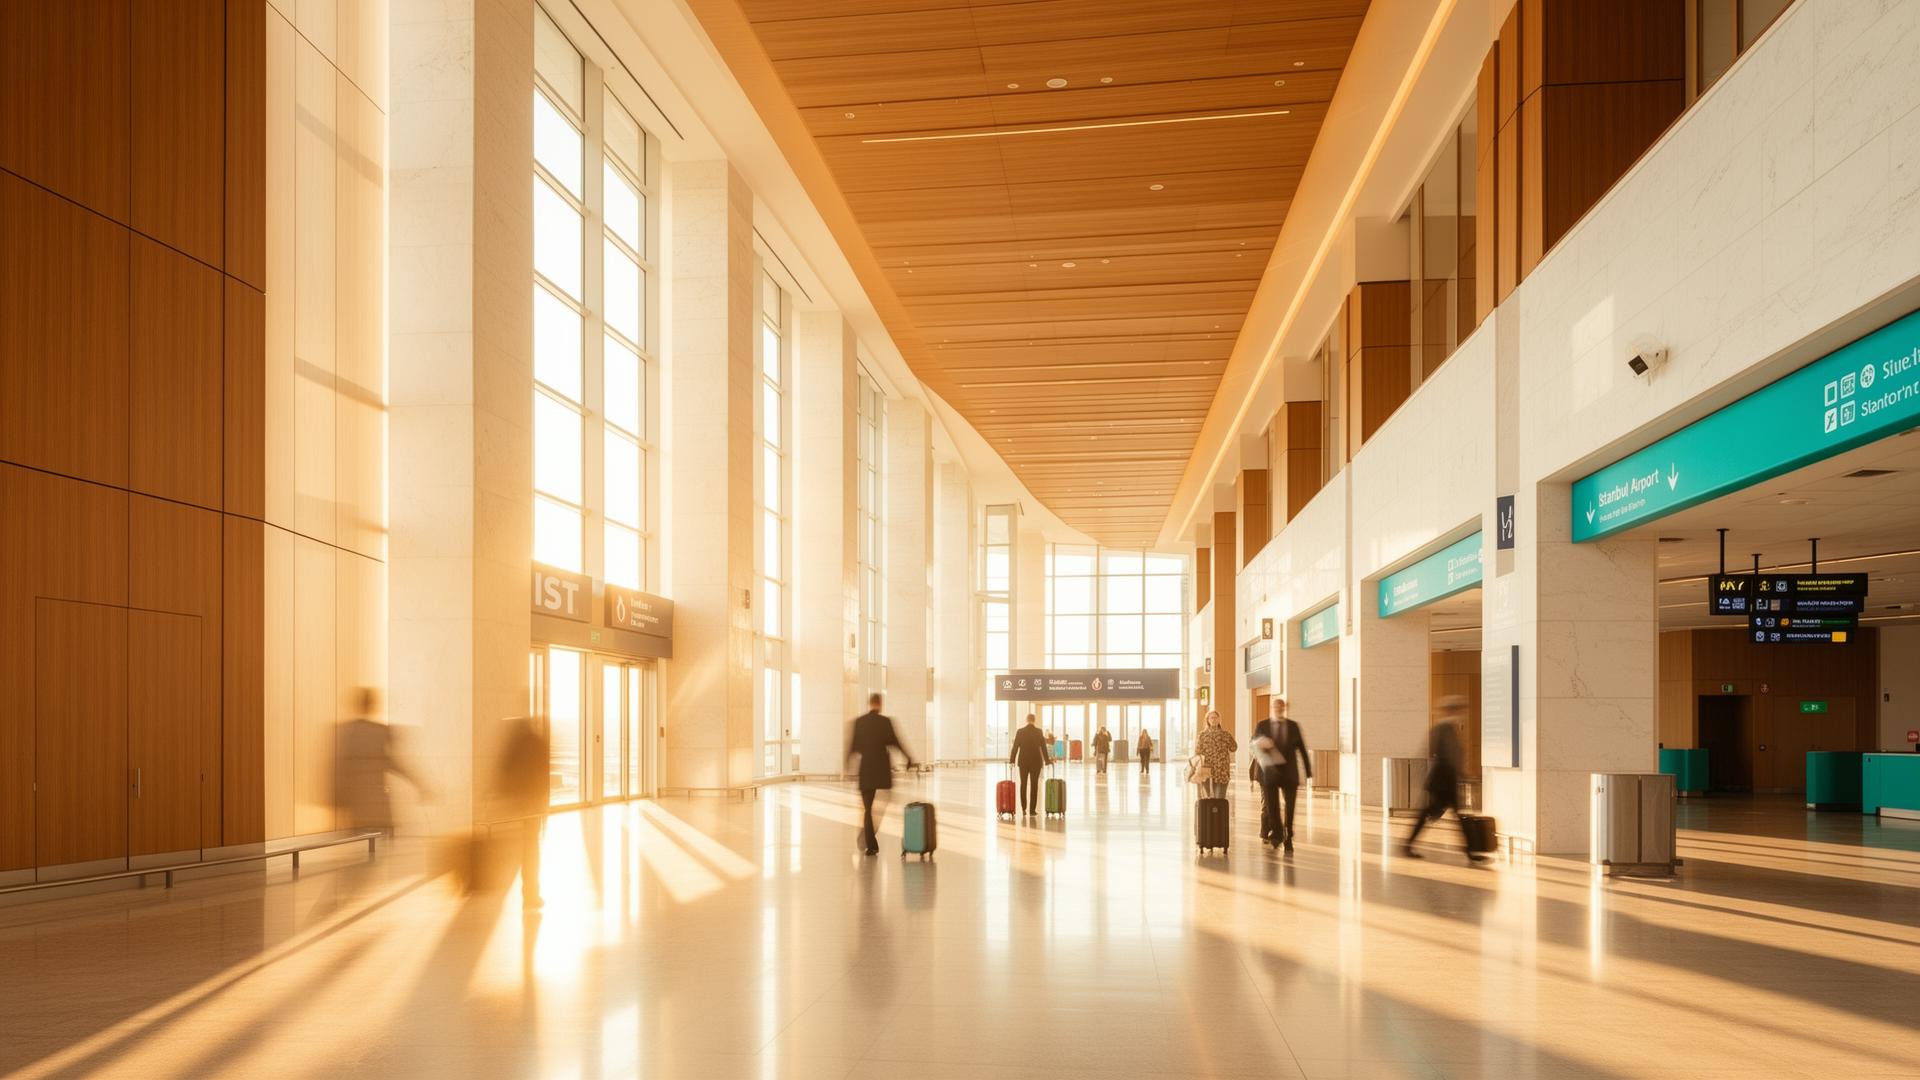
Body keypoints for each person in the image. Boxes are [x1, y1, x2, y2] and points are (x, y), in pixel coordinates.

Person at [846, 693, 916, 855]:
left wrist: (848, 766)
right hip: (882, 771)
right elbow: (897, 742)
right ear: (880, 704)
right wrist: (909, 758)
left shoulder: (859, 722)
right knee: (882, 804)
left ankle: (870, 841)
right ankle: (870, 833)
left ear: (869, 703)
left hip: (866, 770)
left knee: (868, 809)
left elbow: (852, 746)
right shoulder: (886, 722)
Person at [1405, 697, 1468, 861]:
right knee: (1434, 813)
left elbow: (1434, 751)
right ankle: (1408, 844)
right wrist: (1461, 772)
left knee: (1452, 814)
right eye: (1459, 709)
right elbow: (1449, 754)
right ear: (1452, 710)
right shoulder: (1445, 728)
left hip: (1444, 778)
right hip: (1444, 779)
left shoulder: (1445, 727)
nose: (1462, 713)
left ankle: (1469, 851)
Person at [1252, 696, 1311, 853]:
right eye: (1276, 706)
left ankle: (1288, 834)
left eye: (1281, 707)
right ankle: (1277, 834)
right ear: (1272, 708)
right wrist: (1260, 743)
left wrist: (1308, 772)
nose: (1278, 709)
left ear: (1285, 708)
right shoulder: (1262, 725)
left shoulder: (1293, 726)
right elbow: (1253, 743)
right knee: (1272, 806)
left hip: (1289, 773)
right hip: (1270, 773)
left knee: (1290, 806)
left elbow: (1302, 748)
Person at [1008, 713, 1052, 816]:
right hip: (1036, 762)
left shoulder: (1020, 731)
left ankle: (1023, 809)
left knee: (1023, 784)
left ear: (1026, 720)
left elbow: (1015, 747)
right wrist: (1047, 761)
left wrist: (1012, 760)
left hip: (1023, 762)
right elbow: (1043, 748)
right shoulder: (1038, 732)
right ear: (1034, 720)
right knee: (1034, 785)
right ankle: (1032, 810)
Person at [1194, 709, 1238, 799]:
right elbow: (1197, 751)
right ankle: (1209, 814)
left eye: (1216, 717)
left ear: (1219, 720)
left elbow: (1234, 748)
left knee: (1220, 798)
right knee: (1207, 799)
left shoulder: (1226, 734)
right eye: (1211, 718)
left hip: (1222, 770)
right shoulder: (1202, 735)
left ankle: (1219, 813)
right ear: (1208, 720)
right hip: (1206, 771)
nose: (1214, 719)